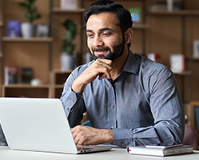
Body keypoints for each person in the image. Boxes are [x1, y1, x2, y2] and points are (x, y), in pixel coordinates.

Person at [60, 0, 185, 148]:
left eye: (106, 33)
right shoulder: (79, 75)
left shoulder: (157, 75)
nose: (96, 43)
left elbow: (172, 133)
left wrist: (108, 135)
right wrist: (76, 87)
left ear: (128, 36)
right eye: (90, 35)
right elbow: (57, 131)